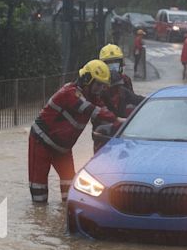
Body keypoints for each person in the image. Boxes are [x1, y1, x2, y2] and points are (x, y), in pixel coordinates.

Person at [28, 60, 123, 203]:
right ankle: (39, 218)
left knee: (70, 190)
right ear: (87, 79)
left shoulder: (94, 98)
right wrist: (118, 119)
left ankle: (64, 218)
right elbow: (93, 111)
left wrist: (124, 124)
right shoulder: (70, 93)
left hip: (63, 148)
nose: (100, 89)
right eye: (98, 84)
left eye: (103, 86)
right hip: (42, 142)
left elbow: (104, 113)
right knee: (39, 191)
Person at [92, 70, 144, 152]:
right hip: (103, 137)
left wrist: (151, 101)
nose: (117, 90)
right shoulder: (99, 97)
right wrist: (117, 120)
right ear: (106, 87)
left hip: (121, 135)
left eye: (119, 86)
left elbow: (137, 99)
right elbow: (100, 116)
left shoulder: (123, 92)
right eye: (114, 88)